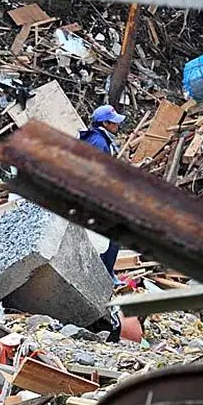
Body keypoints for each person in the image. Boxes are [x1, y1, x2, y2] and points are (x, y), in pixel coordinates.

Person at [78, 105, 126, 277]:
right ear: (105, 123)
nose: (117, 126)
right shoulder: (98, 143)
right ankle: (106, 275)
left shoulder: (94, 138)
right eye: (114, 123)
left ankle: (103, 273)